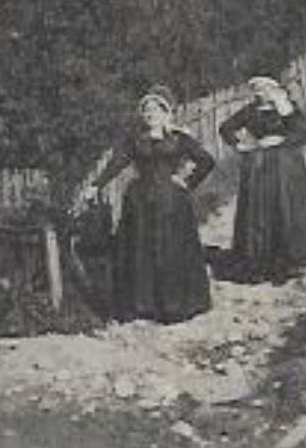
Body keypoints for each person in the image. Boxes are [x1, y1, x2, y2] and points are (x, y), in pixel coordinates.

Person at [83, 85, 217, 323]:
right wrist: (96, 185)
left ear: (166, 112)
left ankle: (175, 304)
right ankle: (142, 305)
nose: (150, 115)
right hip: (140, 202)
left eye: (155, 110)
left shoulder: (180, 138)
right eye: (146, 111)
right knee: (140, 250)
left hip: (172, 203)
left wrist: (187, 181)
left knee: (171, 249)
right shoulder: (135, 140)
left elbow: (206, 161)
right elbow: (117, 163)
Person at [218, 75, 306, 282]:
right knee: (260, 211)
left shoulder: (287, 109)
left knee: (285, 208)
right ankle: (261, 259)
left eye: (264, 89)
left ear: (274, 89)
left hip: (287, 168)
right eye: (256, 90)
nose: (259, 93)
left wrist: (281, 139)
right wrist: (240, 145)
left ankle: (291, 260)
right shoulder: (249, 111)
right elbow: (225, 128)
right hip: (259, 168)